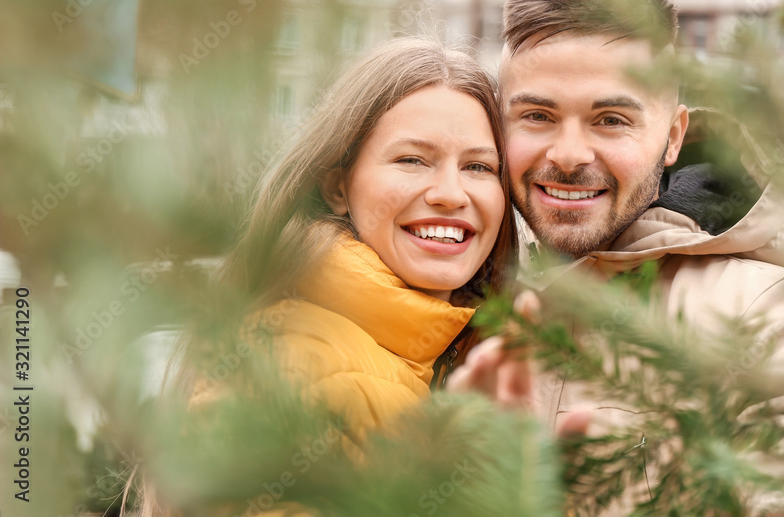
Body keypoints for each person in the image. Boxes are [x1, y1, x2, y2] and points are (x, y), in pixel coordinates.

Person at [451, 0, 784, 515]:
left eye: (611, 120)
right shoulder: (473, 302)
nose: (567, 155)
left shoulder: (772, 313)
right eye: (537, 116)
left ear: (673, 136)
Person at [137, 37, 517, 515]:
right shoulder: (294, 354)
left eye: (478, 166)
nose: (449, 192)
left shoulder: (422, 354)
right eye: (412, 159)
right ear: (338, 187)